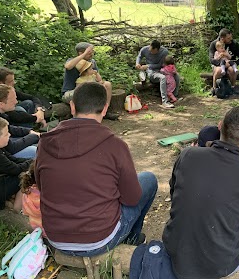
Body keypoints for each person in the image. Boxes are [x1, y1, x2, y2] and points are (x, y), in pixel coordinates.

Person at [35, 82, 158, 256]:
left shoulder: (45, 142)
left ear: (72, 106)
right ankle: (131, 238)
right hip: (99, 239)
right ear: (105, 108)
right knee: (148, 179)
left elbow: (42, 187)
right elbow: (131, 199)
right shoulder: (115, 145)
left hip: (56, 237)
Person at [163, 106, 239, 279]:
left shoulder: (187, 154)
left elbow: (174, 193)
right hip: (222, 264)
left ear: (220, 125)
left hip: (174, 251)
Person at [62, 42, 119, 120]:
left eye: (92, 52)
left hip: (88, 89)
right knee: (86, 91)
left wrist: (99, 81)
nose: (92, 54)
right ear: (80, 53)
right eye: (89, 52)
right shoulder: (72, 61)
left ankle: (104, 111)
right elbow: (68, 66)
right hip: (71, 92)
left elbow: (98, 79)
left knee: (107, 85)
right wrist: (83, 54)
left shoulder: (92, 62)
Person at [0, 117, 32, 211]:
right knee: (27, 176)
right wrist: (33, 163)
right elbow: (16, 169)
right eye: (6, 134)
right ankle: (17, 209)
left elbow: (14, 160)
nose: (9, 135)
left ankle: (11, 200)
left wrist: (32, 160)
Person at [0, 84, 40, 159]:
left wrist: (28, 131)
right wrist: (35, 136)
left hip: (5, 147)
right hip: (2, 155)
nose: (16, 102)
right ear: (0, 104)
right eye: (12, 100)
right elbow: (12, 148)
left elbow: (10, 128)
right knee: (35, 150)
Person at [136, 40, 180, 109]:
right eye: (149, 49)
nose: (150, 52)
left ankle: (174, 96)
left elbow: (160, 65)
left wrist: (148, 66)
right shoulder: (144, 49)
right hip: (152, 72)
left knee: (176, 76)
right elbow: (139, 56)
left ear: (157, 49)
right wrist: (137, 63)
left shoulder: (164, 52)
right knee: (162, 77)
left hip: (162, 70)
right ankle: (164, 101)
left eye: (152, 51)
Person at [209, 28, 239, 95]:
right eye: (228, 38)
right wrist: (220, 64)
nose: (231, 39)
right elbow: (211, 59)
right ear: (222, 38)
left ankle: (233, 87)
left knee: (232, 70)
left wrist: (235, 63)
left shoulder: (234, 44)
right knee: (218, 71)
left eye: (231, 37)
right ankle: (214, 88)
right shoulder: (214, 44)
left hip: (230, 63)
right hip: (218, 64)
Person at [20, 160, 44, 234]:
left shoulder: (27, 192)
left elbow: (25, 212)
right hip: (51, 231)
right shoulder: (49, 196)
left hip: (36, 227)